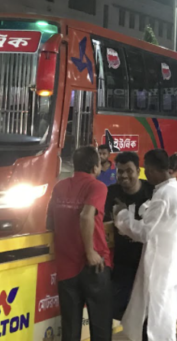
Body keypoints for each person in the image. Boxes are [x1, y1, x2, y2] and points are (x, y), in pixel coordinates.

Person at [114, 149, 177, 341]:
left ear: (153, 169)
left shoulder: (164, 195)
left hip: (161, 269)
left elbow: (144, 232)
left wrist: (123, 215)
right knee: (165, 321)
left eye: (146, 170)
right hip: (174, 265)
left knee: (157, 324)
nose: (145, 175)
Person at [46, 146, 112, 341]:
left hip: (66, 266)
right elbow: (86, 216)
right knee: (100, 326)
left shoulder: (59, 187)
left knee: (70, 329)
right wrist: (90, 251)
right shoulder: (97, 186)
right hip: (94, 265)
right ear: (95, 167)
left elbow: (50, 223)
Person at [104, 152, 153, 320]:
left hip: (147, 265)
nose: (124, 175)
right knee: (117, 311)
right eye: (120, 171)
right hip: (122, 265)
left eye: (129, 170)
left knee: (147, 315)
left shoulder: (152, 192)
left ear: (138, 171)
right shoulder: (111, 193)